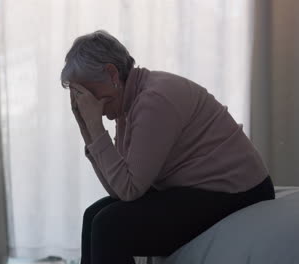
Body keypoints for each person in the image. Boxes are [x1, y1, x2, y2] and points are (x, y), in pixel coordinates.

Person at [60, 30, 275, 264]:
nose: (88, 104)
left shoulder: (155, 99)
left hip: (238, 191)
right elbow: (119, 188)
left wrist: (96, 127)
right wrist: (86, 128)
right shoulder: (128, 104)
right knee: (93, 216)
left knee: (109, 226)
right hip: (194, 187)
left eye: (88, 93)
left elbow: (129, 190)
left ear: (112, 74)